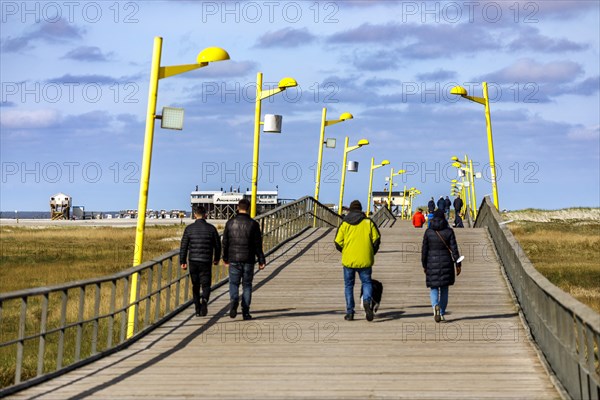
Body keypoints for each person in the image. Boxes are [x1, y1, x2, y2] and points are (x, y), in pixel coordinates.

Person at [334, 200, 381, 322]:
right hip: (365, 258)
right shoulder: (368, 222)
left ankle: (350, 313)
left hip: (348, 260)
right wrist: (372, 251)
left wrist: (344, 251)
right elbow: (376, 239)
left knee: (349, 285)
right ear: (361, 210)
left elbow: (337, 242)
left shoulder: (345, 224)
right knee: (367, 282)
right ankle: (366, 301)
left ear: (350, 210)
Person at [222, 198, 266, 320]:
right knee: (247, 285)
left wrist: (225, 257)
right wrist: (261, 260)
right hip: (248, 259)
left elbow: (225, 242)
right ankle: (245, 312)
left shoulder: (230, 223)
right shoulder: (254, 224)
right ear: (249, 208)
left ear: (237, 207)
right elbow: (258, 244)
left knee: (233, 283)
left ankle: (234, 300)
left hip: (234, 258)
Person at [179, 205, 221, 317]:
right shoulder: (211, 228)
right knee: (206, 284)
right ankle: (205, 301)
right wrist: (216, 258)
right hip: (206, 261)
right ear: (205, 215)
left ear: (194, 215)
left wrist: (182, 261)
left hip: (193, 260)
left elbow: (183, 246)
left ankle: (197, 309)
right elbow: (218, 246)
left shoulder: (189, 229)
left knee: (195, 285)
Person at [421, 209, 462, 322]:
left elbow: (424, 250)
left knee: (434, 288)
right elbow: (454, 249)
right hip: (446, 263)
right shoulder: (449, 231)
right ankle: (442, 311)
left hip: (431, 262)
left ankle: (435, 307)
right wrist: (458, 264)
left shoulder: (428, 232)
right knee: (444, 289)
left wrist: (424, 264)